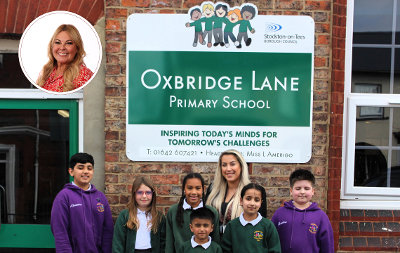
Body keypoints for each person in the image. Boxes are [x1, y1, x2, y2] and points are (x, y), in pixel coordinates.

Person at [50, 153, 113, 253]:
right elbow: (60, 231)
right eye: (80, 167)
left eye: (89, 168)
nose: (85, 171)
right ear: (71, 171)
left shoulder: (100, 197)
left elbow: (108, 231)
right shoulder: (64, 197)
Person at [271, 169, 334, 253]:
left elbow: (327, 246)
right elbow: (270, 241)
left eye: (306, 188)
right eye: (298, 188)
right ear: (291, 191)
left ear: (313, 191)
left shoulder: (321, 216)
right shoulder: (280, 213)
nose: (302, 192)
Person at [206, 149, 267, 236]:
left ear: (241, 166)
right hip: (214, 245)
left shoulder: (254, 192)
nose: (228, 169)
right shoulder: (212, 190)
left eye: (232, 164)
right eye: (224, 165)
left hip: (239, 243)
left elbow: (260, 224)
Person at [166, 173, 220, 253]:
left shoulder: (212, 212)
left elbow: (215, 241)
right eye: (189, 188)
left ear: (203, 189)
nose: (194, 192)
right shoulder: (173, 211)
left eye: (198, 188)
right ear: (183, 188)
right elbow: (169, 242)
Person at [220, 183, 281, 253]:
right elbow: (226, 250)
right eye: (248, 199)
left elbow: (275, 250)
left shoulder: (268, 226)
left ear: (261, 203)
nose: (252, 203)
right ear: (241, 201)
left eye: (256, 200)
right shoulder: (232, 225)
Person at [112, 177, 166, 253]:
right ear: (134, 194)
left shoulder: (159, 217)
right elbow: (118, 243)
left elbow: (163, 244)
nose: (144, 196)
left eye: (148, 192)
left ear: (153, 194)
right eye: (140, 192)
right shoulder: (124, 216)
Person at [37, 24, 93, 92]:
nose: (62, 48)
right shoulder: (45, 72)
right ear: (52, 46)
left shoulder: (85, 75)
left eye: (68, 43)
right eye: (58, 42)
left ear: (77, 48)